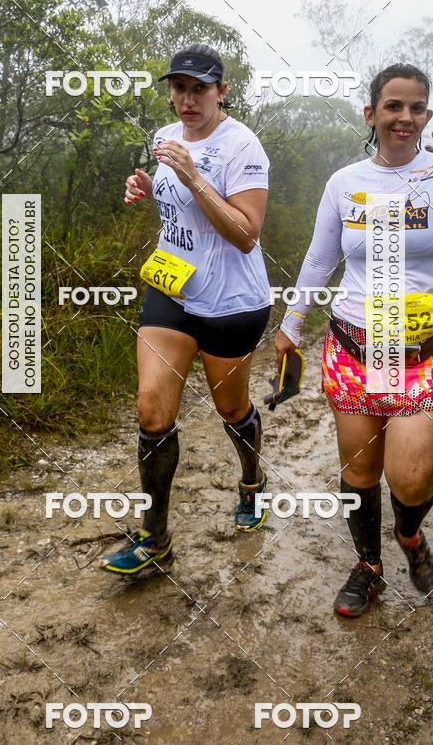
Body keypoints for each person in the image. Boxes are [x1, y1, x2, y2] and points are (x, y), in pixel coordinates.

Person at [273, 64, 433, 618]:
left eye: (417, 107)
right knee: (359, 472)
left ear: (427, 115)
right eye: (393, 106)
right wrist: (291, 322)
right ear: (372, 113)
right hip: (354, 346)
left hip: (425, 352)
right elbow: (321, 257)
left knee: (411, 475)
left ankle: (409, 535)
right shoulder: (344, 181)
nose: (405, 117)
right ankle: (368, 566)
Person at [100, 43, 272, 575]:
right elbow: (177, 207)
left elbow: (245, 234)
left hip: (231, 301)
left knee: (230, 410)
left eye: (200, 88)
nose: (187, 99)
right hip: (172, 288)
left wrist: (195, 176)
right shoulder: (164, 138)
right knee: (152, 411)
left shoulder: (243, 146)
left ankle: (252, 480)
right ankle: (155, 541)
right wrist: (151, 187)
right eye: (179, 88)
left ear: (222, 92)